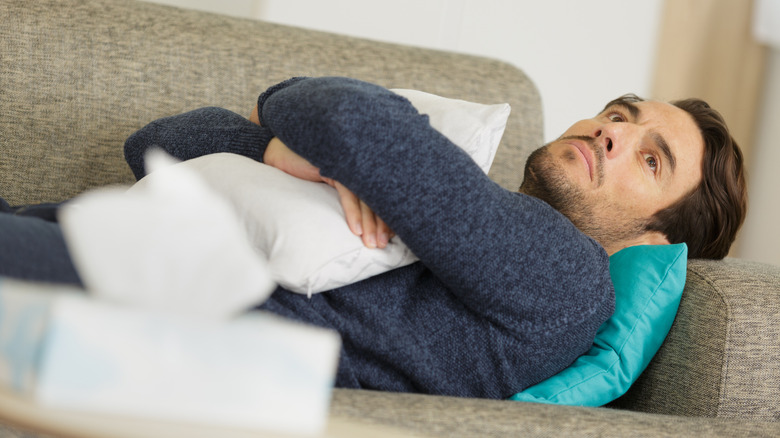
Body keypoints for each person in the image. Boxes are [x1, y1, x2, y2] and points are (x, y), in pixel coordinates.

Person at [0, 76, 746, 399]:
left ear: (652, 236)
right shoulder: (459, 198)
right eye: (621, 112)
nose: (613, 131)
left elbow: (348, 119)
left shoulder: (564, 276)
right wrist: (276, 151)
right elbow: (159, 139)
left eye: (652, 158)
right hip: (81, 236)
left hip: (139, 304)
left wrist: (288, 117)